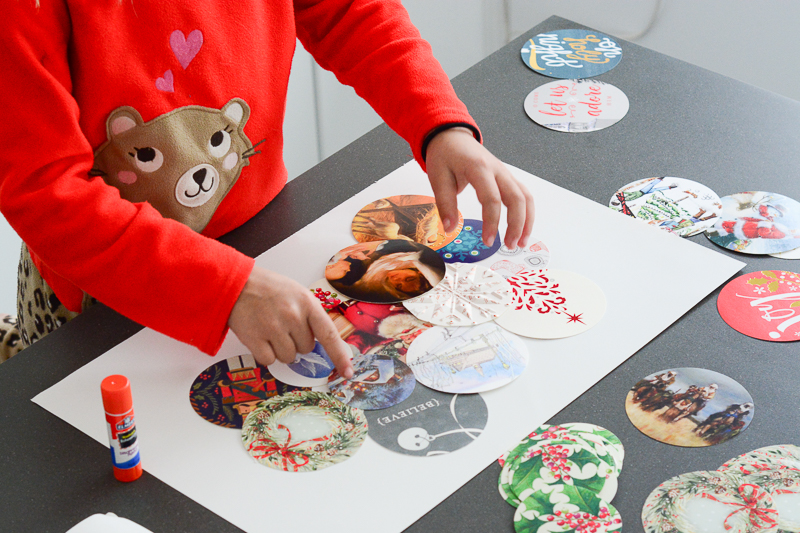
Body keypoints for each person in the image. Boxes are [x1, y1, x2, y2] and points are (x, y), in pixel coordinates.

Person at [0, 1, 535, 374]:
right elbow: (46, 190)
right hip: (102, 293)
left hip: (260, 241)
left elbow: (349, 12)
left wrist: (440, 125)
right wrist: (224, 289)